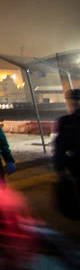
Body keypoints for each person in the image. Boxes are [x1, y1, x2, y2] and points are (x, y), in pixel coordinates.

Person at [53, 88, 80, 219]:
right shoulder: (66, 121)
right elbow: (60, 146)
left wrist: (60, 168)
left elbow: (60, 146)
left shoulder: (66, 121)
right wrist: (60, 167)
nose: (75, 103)